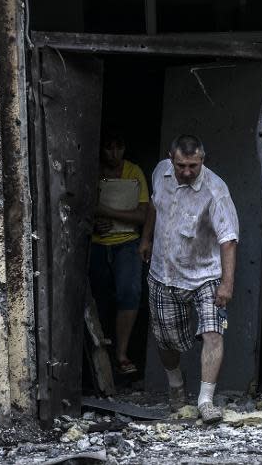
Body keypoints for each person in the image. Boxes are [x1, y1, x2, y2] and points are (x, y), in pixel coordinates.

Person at [138, 134, 239, 423]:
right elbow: (154, 206)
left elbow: (228, 239)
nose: (186, 172)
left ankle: (205, 401)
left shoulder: (215, 190)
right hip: (164, 271)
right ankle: (175, 385)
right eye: (181, 165)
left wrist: (227, 283)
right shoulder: (160, 172)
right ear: (171, 158)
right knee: (166, 340)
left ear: (202, 160)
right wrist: (145, 239)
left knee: (212, 333)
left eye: (193, 166)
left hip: (205, 274)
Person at [89, 131, 149, 375]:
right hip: (97, 244)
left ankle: (121, 354)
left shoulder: (134, 173)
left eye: (118, 147)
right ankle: (98, 358)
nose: (114, 154)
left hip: (127, 242)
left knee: (129, 294)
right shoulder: (92, 171)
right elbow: (77, 208)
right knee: (98, 299)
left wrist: (104, 211)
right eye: (108, 148)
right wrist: (94, 221)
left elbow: (143, 215)